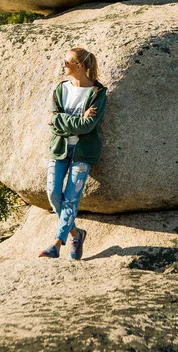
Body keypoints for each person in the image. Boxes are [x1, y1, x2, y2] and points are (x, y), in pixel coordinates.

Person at [39, 47, 107, 260]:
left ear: (79, 66)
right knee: (52, 193)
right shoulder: (61, 89)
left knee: (71, 198)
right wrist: (75, 122)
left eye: (66, 62)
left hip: (82, 153)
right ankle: (77, 234)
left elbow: (87, 126)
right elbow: (53, 125)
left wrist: (60, 119)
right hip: (59, 149)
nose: (63, 65)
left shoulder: (98, 93)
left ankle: (57, 244)